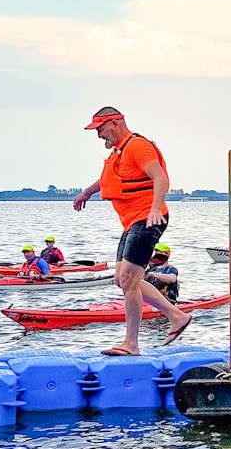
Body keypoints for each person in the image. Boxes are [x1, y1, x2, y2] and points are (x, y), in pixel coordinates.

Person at [73, 106, 191, 355]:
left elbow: (160, 178)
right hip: (132, 221)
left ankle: (131, 344)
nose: (99, 136)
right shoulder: (119, 151)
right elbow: (107, 181)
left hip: (147, 218)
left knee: (128, 280)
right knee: (122, 280)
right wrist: (86, 193)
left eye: (101, 130)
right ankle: (176, 315)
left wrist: (156, 208)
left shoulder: (138, 146)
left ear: (115, 123)